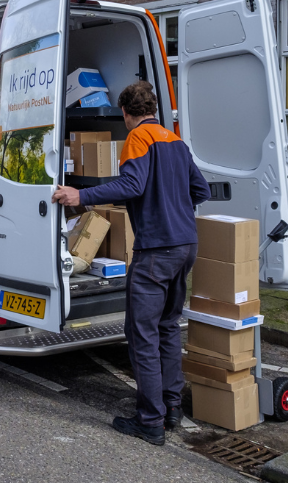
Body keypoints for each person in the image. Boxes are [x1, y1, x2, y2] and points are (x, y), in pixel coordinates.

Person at [53, 81, 210, 445]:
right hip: (186, 246)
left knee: (141, 334)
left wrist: (82, 193)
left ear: (126, 113)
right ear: (153, 108)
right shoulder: (175, 142)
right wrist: (172, 203)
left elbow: (132, 185)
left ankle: (150, 421)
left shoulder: (137, 139)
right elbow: (200, 190)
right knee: (168, 327)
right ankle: (171, 408)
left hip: (156, 251)